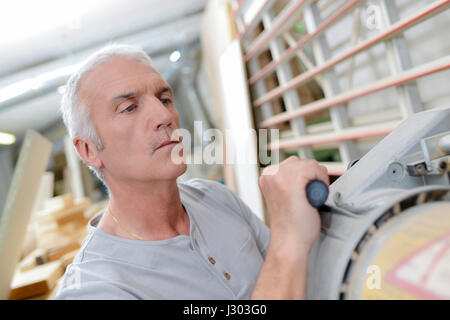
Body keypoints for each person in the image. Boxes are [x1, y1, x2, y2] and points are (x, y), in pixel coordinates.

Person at [55, 44, 329, 299]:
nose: (165, 117)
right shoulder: (94, 288)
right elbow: (287, 257)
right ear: (89, 150)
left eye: (164, 99)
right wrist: (289, 238)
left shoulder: (216, 198)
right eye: (129, 108)